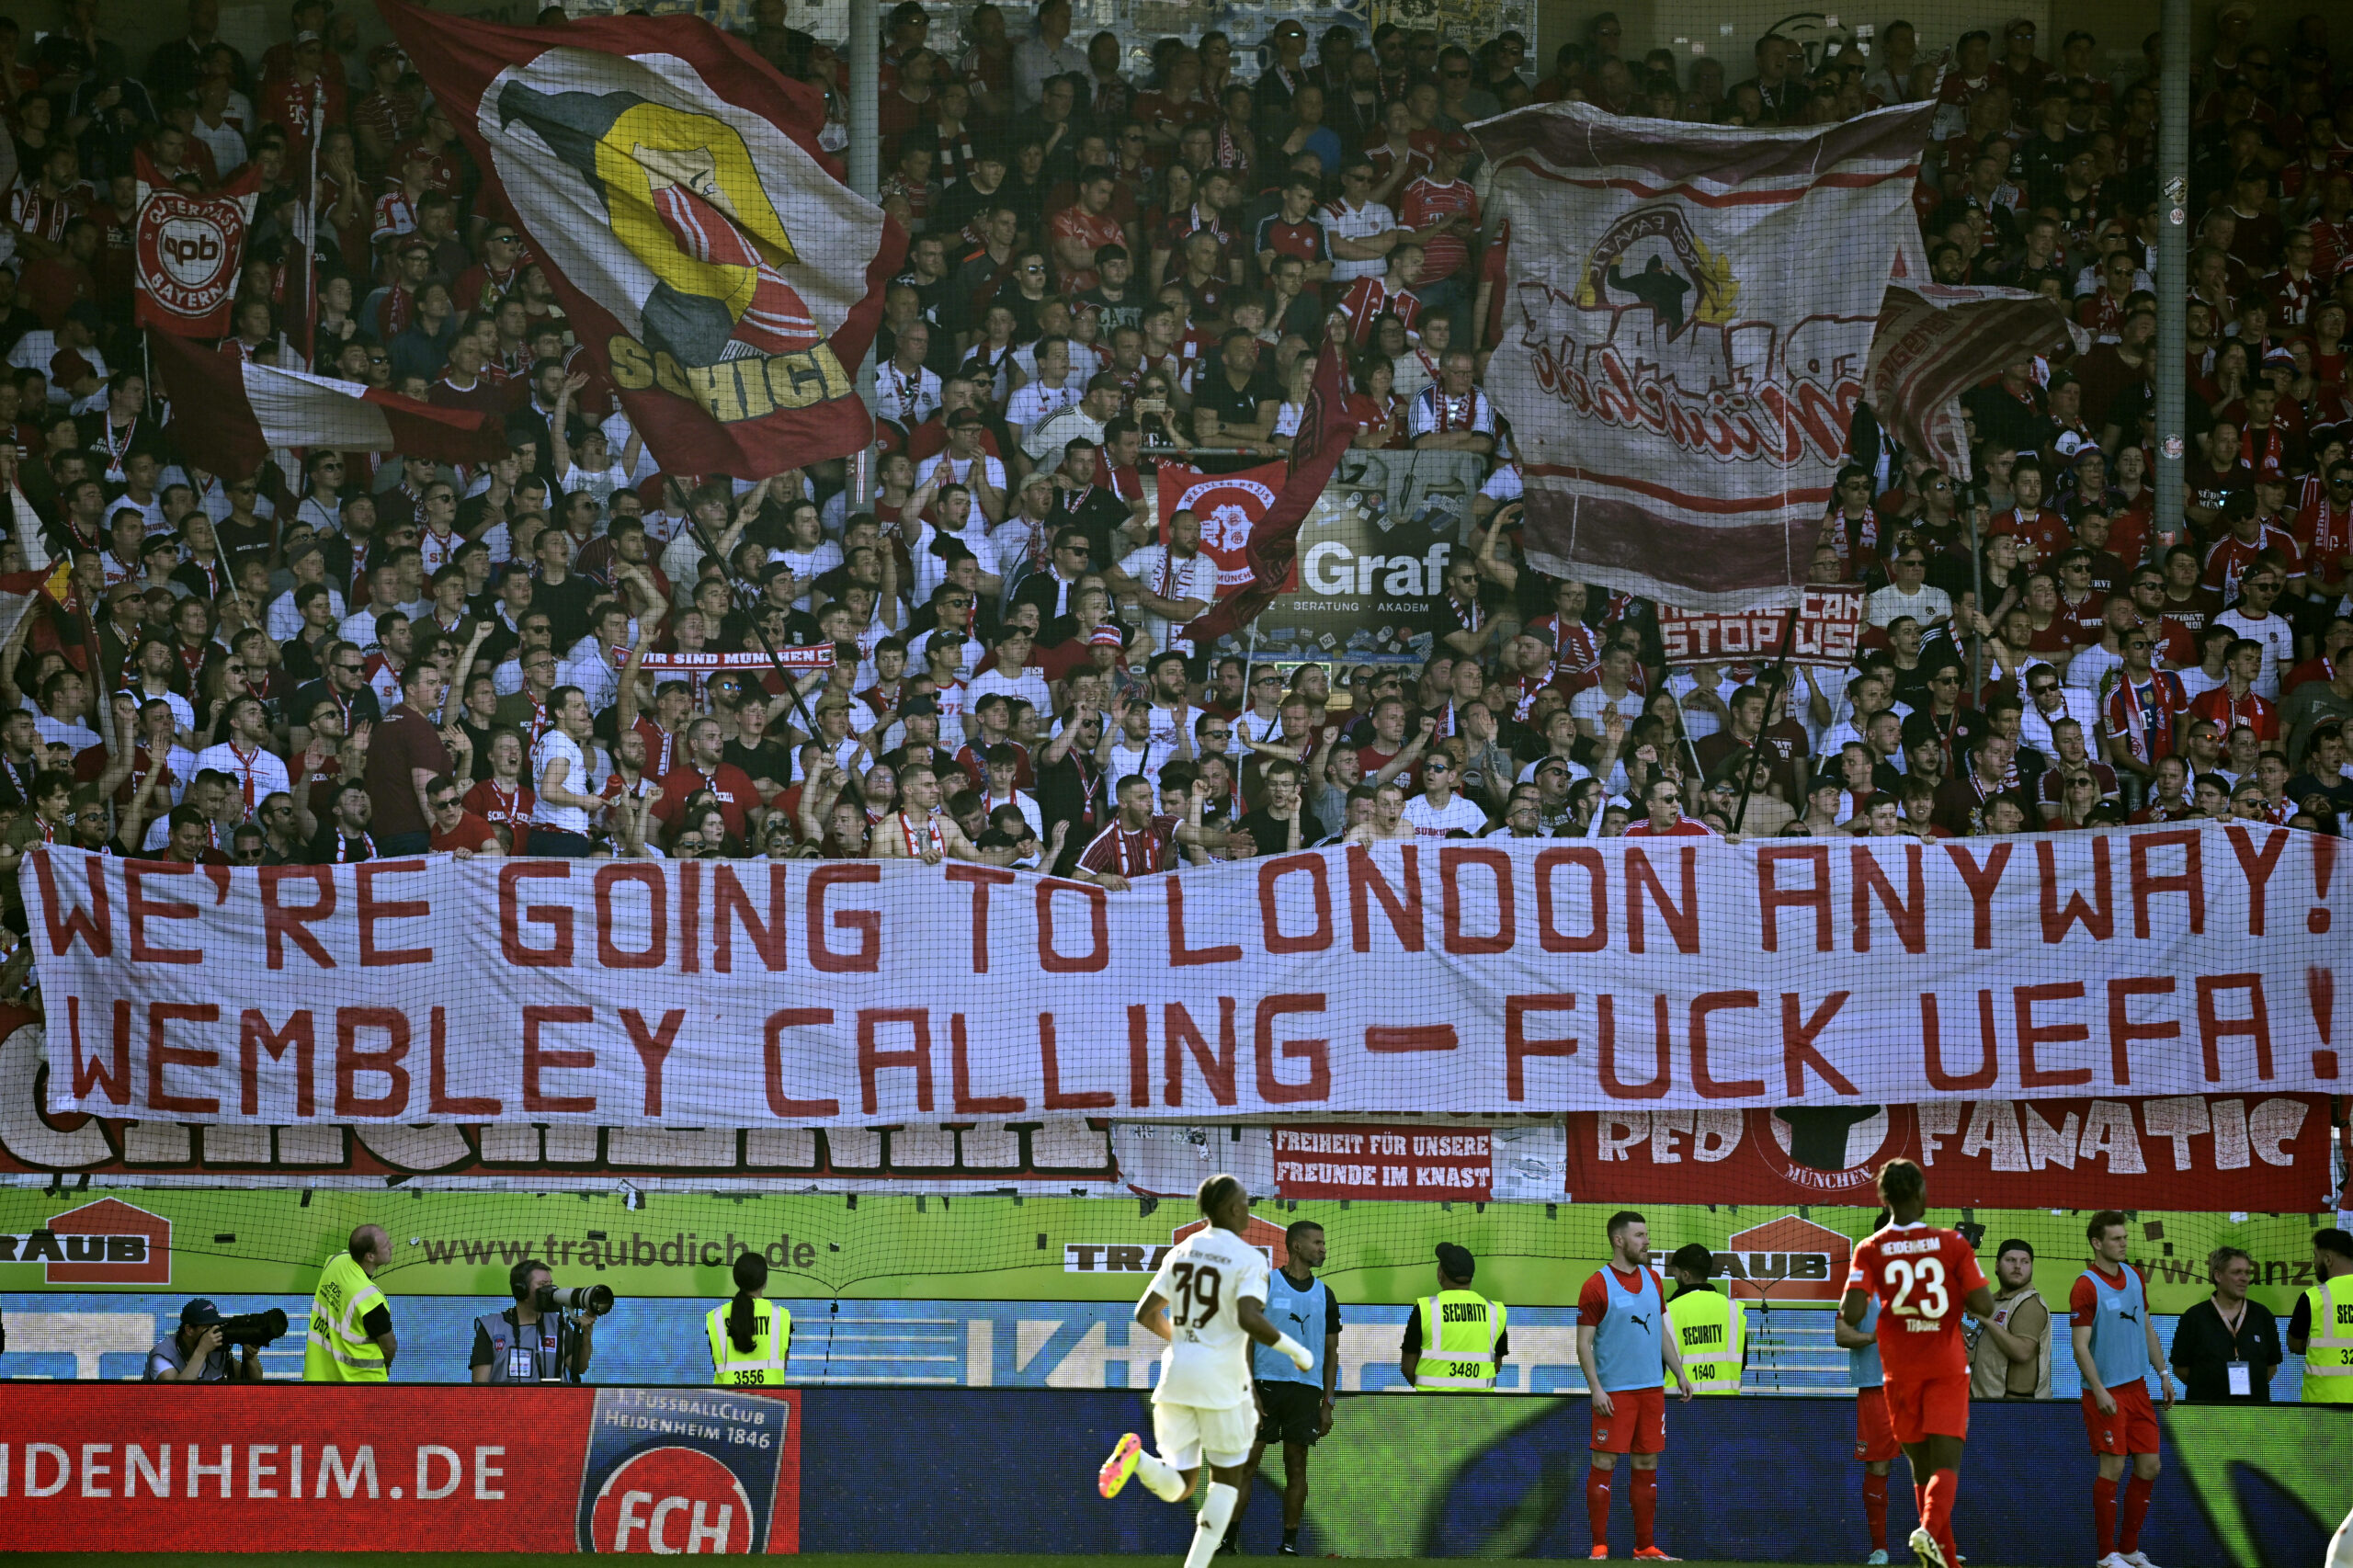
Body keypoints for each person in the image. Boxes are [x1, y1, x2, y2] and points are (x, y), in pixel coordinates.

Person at [1097, 1174, 1314, 1568]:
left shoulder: (1181, 1250)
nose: (1249, 1208)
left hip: (1176, 1377)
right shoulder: (1251, 1258)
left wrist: (1184, 1344)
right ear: (1233, 1209)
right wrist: (1294, 1348)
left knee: (1180, 1485)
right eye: (1245, 1201)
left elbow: (1145, 1313)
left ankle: (1138, 1459)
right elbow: (1249, 1317)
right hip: (1221, 1383)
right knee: (1225, 1485)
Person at [1840, 1159, 1996, 1568]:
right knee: (1945, 1464)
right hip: (1944, 1368)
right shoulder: (1952, 1244)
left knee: (1919, 1468)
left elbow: (1852, 1312)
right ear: (1922, 1195)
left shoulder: (1870, 1250)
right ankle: (1927, 1532)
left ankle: (1944, 1558)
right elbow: (1984, 1304)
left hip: (1899, 1372)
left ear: (1883, 1197)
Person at [1575, 1210, 1693, 1560]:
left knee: (1646, 1466)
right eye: (1640, 1235)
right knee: (1605, 1464)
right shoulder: (1596, 1285)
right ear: (1619, 1240)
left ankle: (1644, 1547)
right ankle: (1599, 1547)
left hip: (1652, 1391)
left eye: (1647, 1234)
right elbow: (1584, 1343)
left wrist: (1680, 1373)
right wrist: (1596, 1388)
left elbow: (1661, 1333)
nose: (1648, 1241)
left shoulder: (1654, 1280)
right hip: (1615, 1392)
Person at [2070, 1210, 2175, 1568]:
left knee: (2150, 1466)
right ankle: (2105, 1555)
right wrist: (2099, 1390)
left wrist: (2163, 1373)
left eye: (2125, 1237)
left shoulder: (2134, 1276)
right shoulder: (2085, 1285)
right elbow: (2080, 1345)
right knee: (2111, 1470)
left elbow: (2145, 1326)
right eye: (2116, 1238)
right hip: (2106, 1393)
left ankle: (2129, 1550)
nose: (2123, 1243)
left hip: (2139, 1389)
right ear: (2097, 1243)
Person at [1235, 1218, 1341, 1557]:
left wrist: (1327, 1402)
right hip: (1266, 1386)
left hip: (1305, 1392)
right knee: (1247, 1464)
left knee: (1297, 1466)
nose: (1323, 1249)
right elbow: (1245, 1342)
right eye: (1317, 1243)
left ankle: (1289, 1545)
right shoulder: (1266, 1283)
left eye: (1323, 1243)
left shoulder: (1326, 1294)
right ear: (1297, 1246)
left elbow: (1331, 1352)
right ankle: (1226, 1542)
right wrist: (1249, 1389)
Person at [1831, 1223, 1899, 1566]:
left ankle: (1939, 1544)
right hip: (1877, 1388)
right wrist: (1876, 1337)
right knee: (1878, 1465)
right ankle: (1880, 1548)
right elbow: (1841, 1335)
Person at [2166, 1245, 2281, 1403]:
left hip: (2254, 1412)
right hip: (2206, 1412)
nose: (2244, 1278)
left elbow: (2270, 1368)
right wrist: (2211, 1388)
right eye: (2237, 1272)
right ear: (2218, 1276)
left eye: (2247, 1273)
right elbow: (2180, 1369)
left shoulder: (2263, 1316)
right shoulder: (2194, 1317)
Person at [1399, 1240, 1506, 1392]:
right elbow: (1496, 1365)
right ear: (1471, 1276)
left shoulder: (1425, 1309)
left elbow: (1407, 1367)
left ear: (1440, 1274)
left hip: (1432, 1405)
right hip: (1481, 1406)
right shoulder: (1496, 1311)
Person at [470, 1257, 596, 1385]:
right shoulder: (491, 1327)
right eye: (542, 1284)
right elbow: (480, 1386)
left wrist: (586, 1334)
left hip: (549, 1403)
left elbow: (579, 1368)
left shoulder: (558, 1324)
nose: (550, 1290)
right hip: (504, 1403)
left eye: (550, 1284)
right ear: (521, 1290)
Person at [302, 1223, 396, 1382]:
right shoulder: (370, 1300)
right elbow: (389, 1347)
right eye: (386, 1245)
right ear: (370, 1256)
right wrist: (387, 1364)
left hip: (318, 1380)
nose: (391, 1246)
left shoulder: (334, 1261)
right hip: (362, 1388)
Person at [1964, 1237, 2052, 1400]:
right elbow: (1975, 1343)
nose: (2018, 1266)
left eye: (2025, 1262)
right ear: (1997, 1266)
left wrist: (1986, 1320)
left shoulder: (2028, 1303)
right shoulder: (1994, 1301)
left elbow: (2022, 1352)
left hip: (2016, 1410)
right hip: (1985, 1401)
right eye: (2011, 1260)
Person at [1663, 1241, 1744, 1394]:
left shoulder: (1667, 1313)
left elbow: (1658, 1365)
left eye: (1676, 1272)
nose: (1674, 1275)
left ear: (1685, 1275)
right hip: (1726, 1406)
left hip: (1679, 1406)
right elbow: (1742, 1360)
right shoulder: (1734, 1309)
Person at [2286, 1227, 2353, 1404]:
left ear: (2328, 1259)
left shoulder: (2313, 1297)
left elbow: (2294, 1345)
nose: (2314, 1262)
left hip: (2322, 1409)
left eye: (2315, 1255)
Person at [709, 1250, 791, 1386]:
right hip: (772, 1402)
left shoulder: (717, 1317)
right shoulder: (781, 1316)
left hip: (728, 1402)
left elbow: (715, 1361)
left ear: (737, 1280)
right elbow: (785, 1362)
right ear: (764, 1281)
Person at [144, 1298, 265, 1383]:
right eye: (207, 1328)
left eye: (215, 1326)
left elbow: (255, 1384)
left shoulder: (216, 1351)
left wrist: (250, 1357)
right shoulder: (162, 1356)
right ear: (189, 1329)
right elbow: (177, 1397)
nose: (212, 1333)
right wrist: (201, 1351)